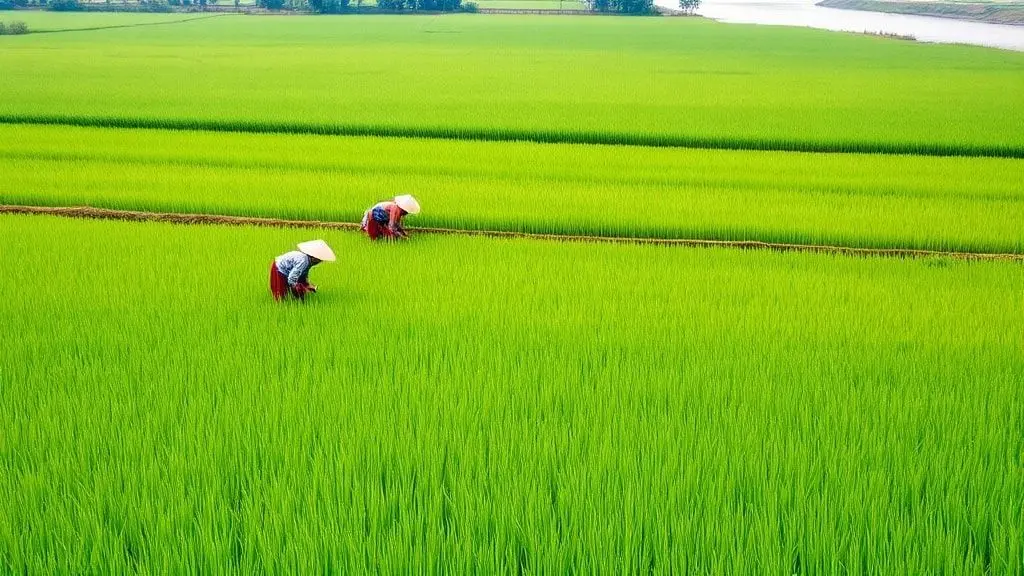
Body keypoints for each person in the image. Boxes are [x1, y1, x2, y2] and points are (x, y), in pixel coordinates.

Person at [270, 239, 336, 301]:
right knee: (281, 294)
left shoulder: (309, 261)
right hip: (279, 267)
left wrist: (307, 284)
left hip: (288, 268)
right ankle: (283, 304)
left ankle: (296, 298)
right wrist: (297, 288)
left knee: (300, 283)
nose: (320, 261)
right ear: (314, 257)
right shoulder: (303, 261)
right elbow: (291, 278)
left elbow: (304, 273)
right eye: (319, 259)